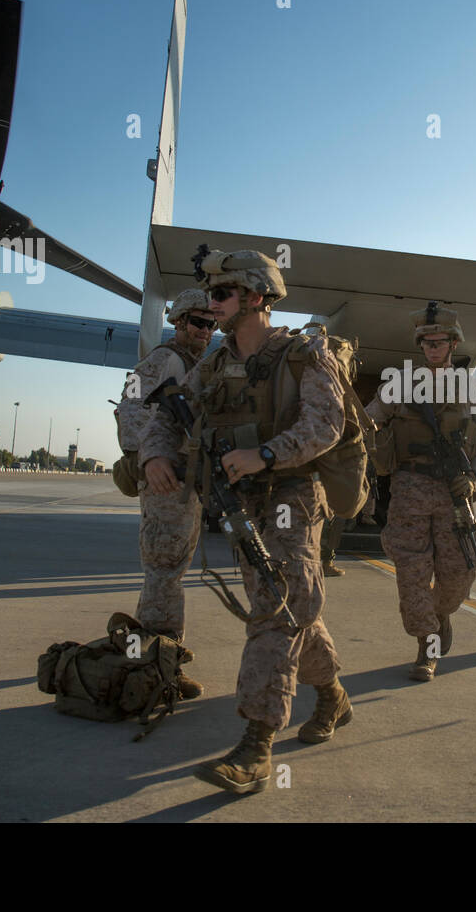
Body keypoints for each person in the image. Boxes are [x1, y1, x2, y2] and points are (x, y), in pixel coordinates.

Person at [139, 248, 350, 795]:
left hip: (291, 498)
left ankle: (257, 744)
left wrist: (269, 454)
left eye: (222, 294)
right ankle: (331, 695)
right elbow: (168, 413)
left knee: (276, 613)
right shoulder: (213, 362)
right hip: (239, 505)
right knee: (291, 608)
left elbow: (327, 424)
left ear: (255, 296)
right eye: (211, 295)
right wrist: (154, 456)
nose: (212, 305)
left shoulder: (301, 356)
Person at [365, 304, 476, 681]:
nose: (433, 348)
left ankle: (441, 615)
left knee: (458, 574)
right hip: (409, 489)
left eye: (440, 342)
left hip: (454, 492)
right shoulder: (400, 385)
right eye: (426, 342)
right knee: (411, 575)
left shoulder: (472, 390)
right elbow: (367, 421)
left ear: (454, 343)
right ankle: (427, 646)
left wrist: (473, 476)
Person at [114, 287, 216, 699]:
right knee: (164, 572)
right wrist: (150, 459)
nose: (205, 331)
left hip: (184, 480)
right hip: (164, 480)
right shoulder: (161, 360)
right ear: (178, 322)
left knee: (170, 570)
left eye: (211, 324)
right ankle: (160, 669)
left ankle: (150, 661)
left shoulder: (197, 364)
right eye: (197, 323)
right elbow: (129, 409)